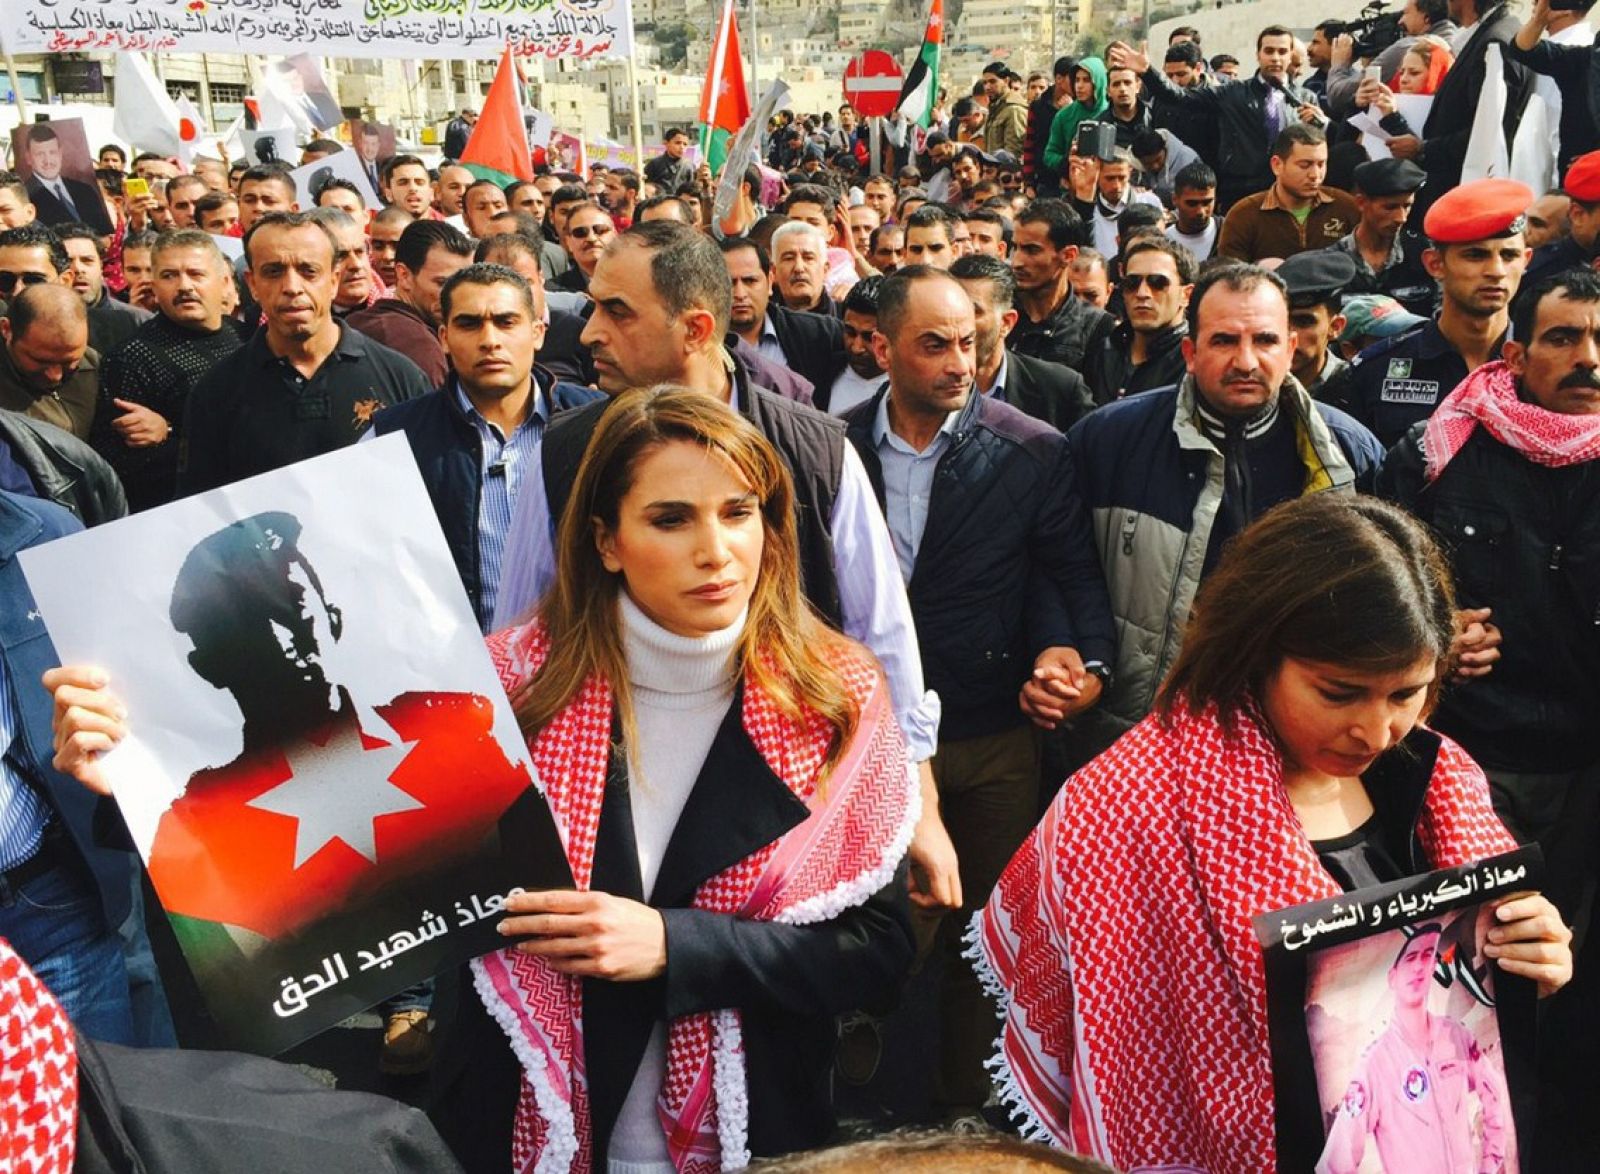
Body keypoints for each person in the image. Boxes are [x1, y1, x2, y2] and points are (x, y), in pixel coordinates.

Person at [373, 386, 918, 1169]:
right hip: (519, 1123)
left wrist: (676, 945)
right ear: (606, 540)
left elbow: (879, 949)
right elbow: (345, 875)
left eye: (739, 512)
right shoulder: (504, 692)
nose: (716, 549)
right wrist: (137, 756)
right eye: (671, 518)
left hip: (754, 1130)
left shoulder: (835, 698)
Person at [970, 491, 1573, 1173]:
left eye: (1406, 694)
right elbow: (1120, 1058)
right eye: (1339, 692)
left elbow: (1476, 999)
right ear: (1256, 652)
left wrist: (1531, 963)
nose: (1376, 732)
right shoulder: (1129, 803)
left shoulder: (1440, 779)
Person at [492, 222, 959, 914]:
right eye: (668, 519)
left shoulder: (817, 451)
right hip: (612, 806)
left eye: (617, 312)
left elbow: (881, 635)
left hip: (791, 809)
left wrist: (917, 802)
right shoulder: (565, 456)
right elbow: (520, 636)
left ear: (695, 328)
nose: (589, 333)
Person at [838, 266, 1112, 1127]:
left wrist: (1077, 660)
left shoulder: (1032, 448)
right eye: (935, 345)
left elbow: (1068, 576)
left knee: (986, 938)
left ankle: (966, 1110)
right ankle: (850, 1076)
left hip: (993, 735)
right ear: (880, 348)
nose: (960, 363)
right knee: (873, 925)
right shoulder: (827, 446)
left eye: (970, 342)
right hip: (864, 744)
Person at [1377, 267, 1600, 1164]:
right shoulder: (1442, 450)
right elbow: (1367, 570)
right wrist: (1433, 635)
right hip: (1470, 770)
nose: (1588, 359)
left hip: (1588, 774)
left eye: (1598, 339)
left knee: (1575, 986)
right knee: (1471, 981)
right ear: (1515, 352)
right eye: (1563, 338)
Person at [1065, 263, 1384, 755]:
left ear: (1291, 350)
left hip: (1287, 739)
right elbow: (1066, 569)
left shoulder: (1348, 454)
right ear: (1190, 353)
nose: (1246, 360)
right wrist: (1086, 661)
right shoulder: (1107, 440)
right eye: (1224, 341)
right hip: (1137, 731)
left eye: (1265, 341)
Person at [368, 263, 602, 629]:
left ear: (537, 332)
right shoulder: (394, 437)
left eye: (506, 322)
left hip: (583, 661)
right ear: (443, 337)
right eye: (470, 323)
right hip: (460, 667)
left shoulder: (597, 421)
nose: (490, 340)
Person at [179, 211, 431, 495]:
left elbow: (429, 490)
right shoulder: (214, 393)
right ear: (252, 284)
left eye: (308, 271)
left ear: (334, 279)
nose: (292, 287)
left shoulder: (401, 377)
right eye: (273, 272)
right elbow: (202, 510)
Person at [1322, 179, 1531, 448]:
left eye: (1509, 255)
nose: (1497, 271)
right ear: (1435, 264)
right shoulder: (1374, 371)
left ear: (1526, 261)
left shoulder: (1543, 367)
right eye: (1475, 255)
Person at [1315, 923, 1508, 1172]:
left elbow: (1495, 1096)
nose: (1419, 966)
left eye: (1428, 956)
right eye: (1412, 957)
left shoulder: (1456, 1037)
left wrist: (1490, 1164)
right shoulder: (1375, 1064)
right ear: (1392, 976)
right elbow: (1336, 1162)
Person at [92, 230, 243, 512]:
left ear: (224, 283)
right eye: (169, 276)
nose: (184, 286)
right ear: (154, 285)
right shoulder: (131, 358)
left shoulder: (247, 337)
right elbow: (118, 465)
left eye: (196, 274)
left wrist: (172, 430)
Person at [1115, 29, 1317, 212]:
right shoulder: (1234, 92)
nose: (1275, 58)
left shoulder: (1305, 99)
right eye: (1269, 51)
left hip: (1290, 193)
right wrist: (1148, 72)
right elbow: (1181, 97)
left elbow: (1319, 148)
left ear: (1291, 55)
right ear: (1258, 55)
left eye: (1282, 52)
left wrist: (1324, 124)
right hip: (1241, 192)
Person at [347, 220, 474, 387]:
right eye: (443, 283)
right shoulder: (419, 346)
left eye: (462, 284)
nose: (456, 295)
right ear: (404, 275)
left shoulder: (353, 324)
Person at [1218, 125, 1361, 264]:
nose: (1315, 175)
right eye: (1304, 165)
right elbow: (1230, 278)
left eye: (1321, 164)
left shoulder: (1346, 207)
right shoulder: (1244, 215)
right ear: (1277, 165)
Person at [722, 237, 843, 398]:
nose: (740, 294)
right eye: (729, 283)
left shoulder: (819, 334)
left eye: (750, 281)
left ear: (770, 281)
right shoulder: (695, 346)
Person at [1008, 200, 1115, 380]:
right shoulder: (998, 312)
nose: (1017, 262)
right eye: (1015, 248)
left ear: (1068, 255)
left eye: (1032, 250)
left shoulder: (1096, 325)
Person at [1083, 236, 1193, 403]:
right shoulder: (1102, 352)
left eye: (1158, 282)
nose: (1142, 293)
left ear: (1186, 295)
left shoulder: (1196, 361)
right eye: (1132, 282)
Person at [1325, 158, 1436, 318]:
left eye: (1407, 206)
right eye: (1390, 207)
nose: (1401, 218)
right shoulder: (1331, 263)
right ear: (1361, 202)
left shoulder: (1425, 254)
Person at [0, 282, 99, 440]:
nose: (55, 376)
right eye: (40, 360)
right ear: (6, 330)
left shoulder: (96, 366)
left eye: (69, 362)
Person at [54, 222, 151, 357]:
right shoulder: (42, 324)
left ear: (100, 266)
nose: (78, 269)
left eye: (87, 260)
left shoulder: (139, 321)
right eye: (68, 261)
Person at [1279, 250, 1359, 394]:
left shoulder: (1358, 389)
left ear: (1335, 327)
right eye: (1279, 321)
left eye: (1303, 322)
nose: (1288, 334)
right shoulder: (1251, 386)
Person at [21, 124, 113, 234]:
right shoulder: (25, 196)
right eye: (40, 154)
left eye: (52, 152)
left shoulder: (84, 190)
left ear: (60, 153)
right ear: (28, 158)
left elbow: (103, 229)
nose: (48, 161)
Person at [1041, 58, 1109, 184]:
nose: (1079, 86)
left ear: (1098, 81)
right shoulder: (1064, 115)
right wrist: (1068, 162)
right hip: (1074, 185)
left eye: (1086, 80)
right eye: (1077, 80)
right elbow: (1050, 154)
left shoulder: (1112, 112)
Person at [550, 202, 615, 294]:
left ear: (615, 235)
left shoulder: (637, 279)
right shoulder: (553, 293)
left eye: (600, 230)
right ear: (568, 242)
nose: (591, 238)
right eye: (580, 232)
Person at [1165, 162, 1219, 261]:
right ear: (1175, 200)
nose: (1200, 211)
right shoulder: (1163, 240)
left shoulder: (1230, 233)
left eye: (1207, 202)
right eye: (1192, 203)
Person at [643, 127, 694, 194]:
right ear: (666, 143)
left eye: (685, 144)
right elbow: (645, 186)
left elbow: (691, 189)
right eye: (678, 143)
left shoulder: (689, 166)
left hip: (680, 203)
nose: (682, 147)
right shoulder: (654, 164)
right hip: (660, 202)